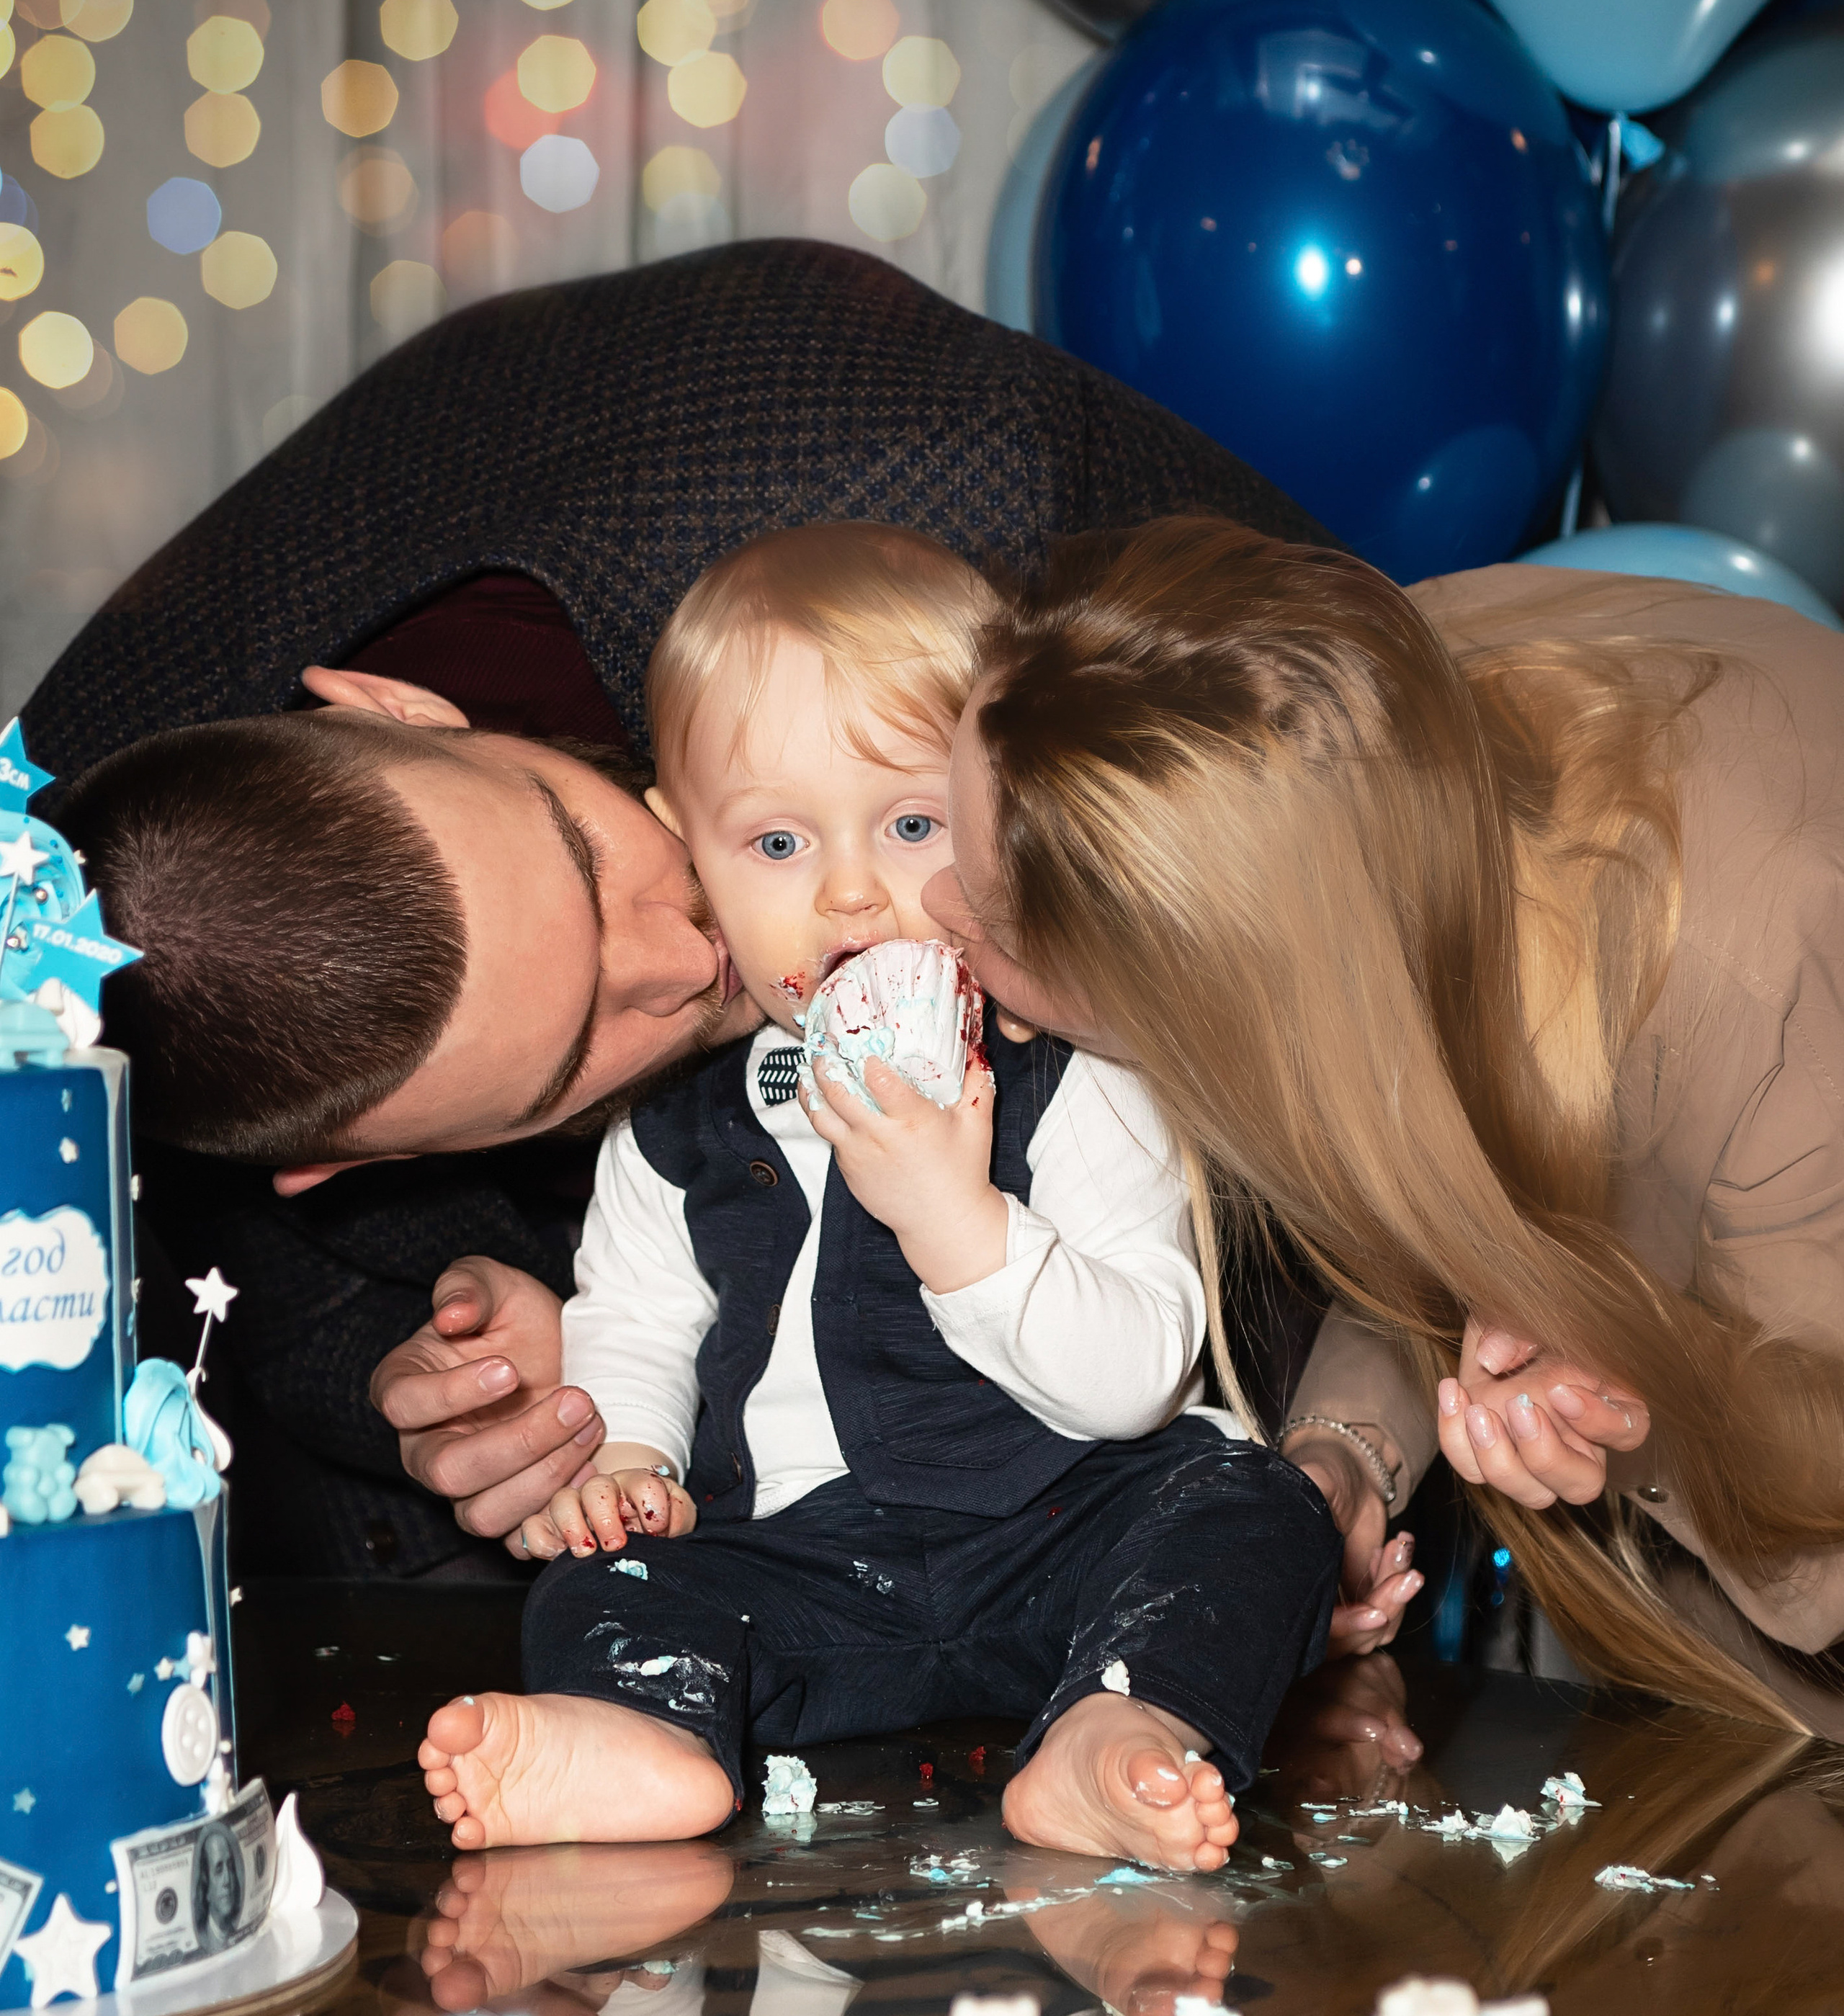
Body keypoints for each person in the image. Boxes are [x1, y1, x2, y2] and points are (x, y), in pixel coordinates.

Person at [34, 238, 1333, 1580]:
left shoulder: (944, 477)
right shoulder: (90, 1041)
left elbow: (1362, 798)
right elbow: (245, 1287)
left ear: (397, 710)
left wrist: (1336, 1444)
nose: (691, 953)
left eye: (587, 861)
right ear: (359, 1163)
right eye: (579, 1042)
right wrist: (457, 1387)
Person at [417, 523, 1339, 1868]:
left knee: (1253, 1510)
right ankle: (650, 1735)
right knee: (600, 1584)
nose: (850, 892)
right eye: (778, 843)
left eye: (912, 826)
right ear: (695, 859)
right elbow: (636, 1322)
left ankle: (1118, 1725)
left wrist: (959, 1225)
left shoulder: (1078, 1072)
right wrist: (624, 1462)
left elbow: (1139, 1373)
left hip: (1065, 1534)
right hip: (795, 1565)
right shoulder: (673, 1129)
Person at [922, 515, 1844, 1731]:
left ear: (1187, 1005)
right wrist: (1345, 1458)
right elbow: (1409, 1157)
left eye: (991, 922)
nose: (933, 907)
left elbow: (1816, 1518)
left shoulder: (1774, 988)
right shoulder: (1303, 743)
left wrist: (1632, 1414)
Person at [192, 1821, 244, 1953]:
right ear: (206, 1886)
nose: (227, 1880)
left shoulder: (237, 1931)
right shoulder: (204, 1938)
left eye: (231, 1867)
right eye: (219, 1870)